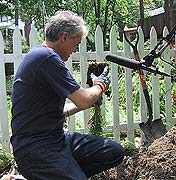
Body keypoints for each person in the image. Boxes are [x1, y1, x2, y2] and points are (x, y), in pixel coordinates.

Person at [10, 10, 124, 180]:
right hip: (35, 148)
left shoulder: (42, 57)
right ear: (64, 37)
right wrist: (100, 83)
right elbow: (84, 99)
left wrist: (92, 101)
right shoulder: (47, 58)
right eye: (76, 43)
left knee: (113, 151)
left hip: (57, 139)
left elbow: (58, 111)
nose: (75, 49)